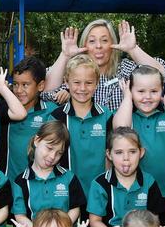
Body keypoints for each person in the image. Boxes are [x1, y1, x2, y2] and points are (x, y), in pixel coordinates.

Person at [114, 64, 165, 227]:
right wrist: (126, 98)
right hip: (136, 192)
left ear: (161, 90)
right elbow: (120, 130)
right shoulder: (128, 117)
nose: (147, 97)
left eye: (154, 91)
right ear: (130, 90)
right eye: (140, 91)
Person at [44, 19, 165, 110]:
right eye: (92, 41)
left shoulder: (124, 69)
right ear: (84, 45)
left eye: (104, 40)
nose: (99, 46)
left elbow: (163, 74)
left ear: (113, 43)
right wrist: (65, 55)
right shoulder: (73, 70)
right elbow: (43, 89)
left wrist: (133, 49)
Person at [48, 54, 120, 195]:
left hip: (99, 192)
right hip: (65, 193)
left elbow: (111, 155)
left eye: (88, 83)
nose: (82, 88)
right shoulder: (57, 117)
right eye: (76, 82)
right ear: (66, 82)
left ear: (97, 83)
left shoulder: (107, 116)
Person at [11, 120, 86, 227]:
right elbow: (20, 215)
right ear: (36, 140)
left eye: (59, 153)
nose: (53, 156)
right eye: (50, 148)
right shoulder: (20, 181)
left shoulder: (69, 178)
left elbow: (75, 209)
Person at [87, 127, 165, 227]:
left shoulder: (149, 182)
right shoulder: (100, 184)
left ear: (141, 152)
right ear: (109, 154)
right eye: (119, 152)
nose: (126, 158)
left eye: (132, 151)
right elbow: (95, 222)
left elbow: (155, 219)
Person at [0, 56, 60, 180]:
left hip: (38, 187)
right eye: (15, 84)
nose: (19, 90)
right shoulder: (5, 110)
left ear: (40, 86)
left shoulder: (50, 111)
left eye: (25, 85)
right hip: (8, 184)